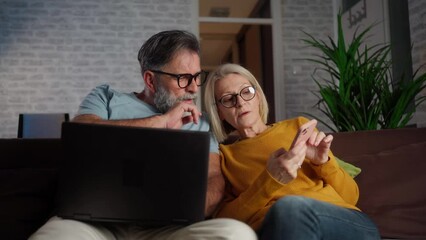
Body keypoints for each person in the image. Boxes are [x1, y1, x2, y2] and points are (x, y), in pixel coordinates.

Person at [29, 31, 257, 240]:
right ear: (150, 79)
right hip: (93, 225)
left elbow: (214, 178)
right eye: (183, 78)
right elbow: (82, 131)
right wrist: (162, 122)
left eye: (197, 76)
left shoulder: (200, 121)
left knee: (236, 234)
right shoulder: (106, 97)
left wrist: (185, 209)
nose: (194, 88)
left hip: (168, 229)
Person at [203, 63, 381, 240]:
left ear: (257, 95)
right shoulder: (225, 157)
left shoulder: (298, 126)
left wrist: (324, 162)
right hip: (278, 227)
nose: (240, 102)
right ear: (219, 112)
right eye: (228, 99)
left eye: (246, 91)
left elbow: (351, 197)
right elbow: (226, 220)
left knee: (290, 208)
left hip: (343, 221)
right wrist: (270, 179)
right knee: (288, 209)